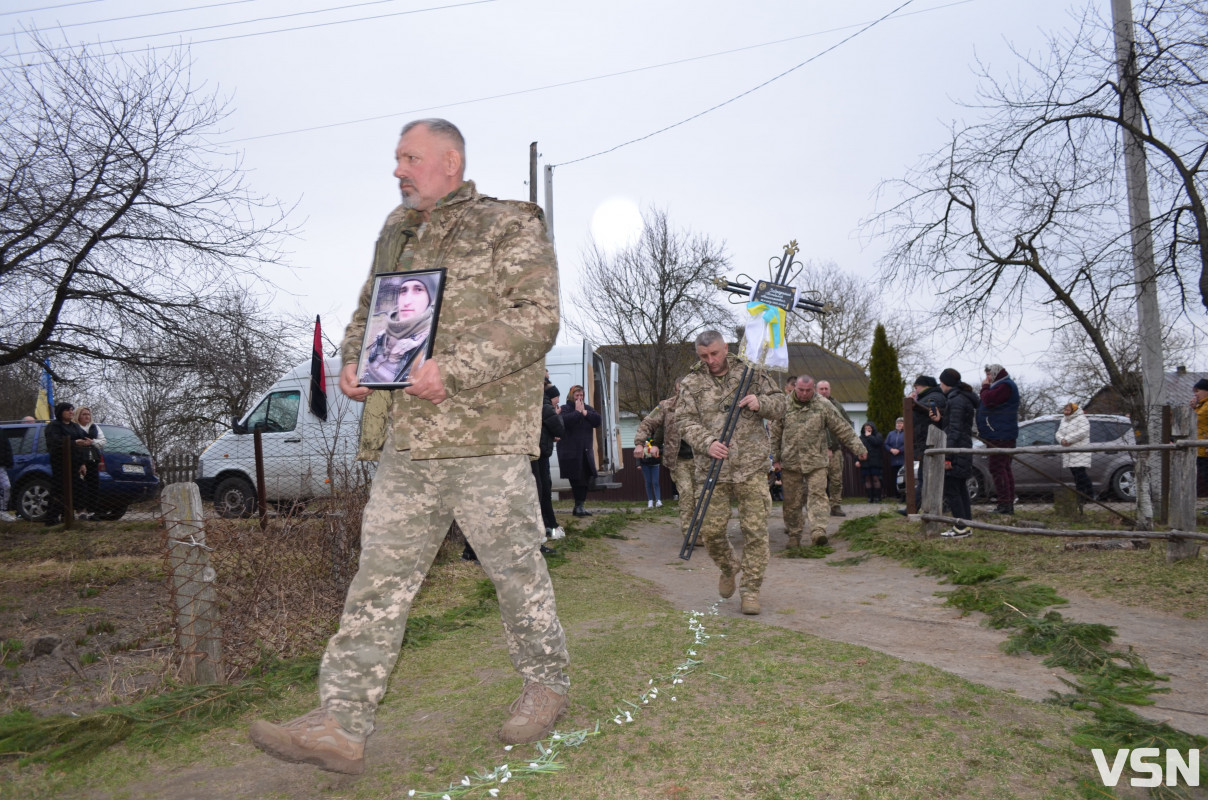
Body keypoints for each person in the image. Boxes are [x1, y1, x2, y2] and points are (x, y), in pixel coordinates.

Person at [249, 119, 570, 775]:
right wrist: (350, 364)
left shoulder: (510, 222)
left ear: (450, 161)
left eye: (410, 157)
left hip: (483, 437)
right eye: (397, 158)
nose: (398, 169)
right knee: (379, 583)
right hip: (410, 443)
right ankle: (340, 720)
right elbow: (370, 313)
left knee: (514, 574)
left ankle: (547, 683)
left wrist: (454, 367)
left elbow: (538, 317)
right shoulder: (398, 231)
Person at [676, 330, 787, 616]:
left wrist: (760, 403)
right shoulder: (691, 383)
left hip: (751, 467)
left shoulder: (752, 372)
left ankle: (751, 590)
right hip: (712, 469)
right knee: (710, 531)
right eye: (704, 356)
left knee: (755, 531)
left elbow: (781, 404)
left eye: (715, 353)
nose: (711, 360)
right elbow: (683, 421)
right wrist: (707, 443)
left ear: (726, 347)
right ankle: (728, 566)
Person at [771, 375, 867, 550]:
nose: (805, 394)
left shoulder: (823, 405)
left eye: (808, 390)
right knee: (792, 501)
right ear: (795, 388)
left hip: (816, 461)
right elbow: (775, 433)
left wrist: (859, 448)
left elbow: (842, 427)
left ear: (813, 389)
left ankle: (818, 531)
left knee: (818, 496)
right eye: (801, 390)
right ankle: (794, 535)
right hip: (791, 461)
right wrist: (775, 458)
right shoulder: (783, 405)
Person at [635, 381, 694, 540]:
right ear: (675, 391)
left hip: (701, 459)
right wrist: (640, 443)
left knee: (703, 496)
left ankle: (703, 530)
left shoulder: (701, 404)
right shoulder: (665, 406)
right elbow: (648, 422)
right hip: (678, 459)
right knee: (687, 494)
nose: (683, 394)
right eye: (679, 391)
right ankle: (691, 534)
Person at [358, 273, 437, 385]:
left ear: (429, 299)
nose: (407, 302)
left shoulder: (433, 342)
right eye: (403, 291)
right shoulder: (381, 336)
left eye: (418, 290)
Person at [931, 369, 979, 538]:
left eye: (941, 381)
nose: (940, 384)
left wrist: (948, 455)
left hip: (957, 451)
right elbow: (952, 425)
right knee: (960, 488)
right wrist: (940, 419)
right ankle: (966, 525)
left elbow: (955, 431)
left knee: (952, 489)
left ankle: (960, 527)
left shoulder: (957, 400)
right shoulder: (960, 398)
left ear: (947, 383)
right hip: (962, 449)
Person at [977, 363, 1020, 514]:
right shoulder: (1001, 385)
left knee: (998, 468)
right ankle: (1006, 503)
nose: (986, 378)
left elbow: (988, 400)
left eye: (989, 375)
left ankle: (1005, 503)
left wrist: (984, 388)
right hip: (997, 433)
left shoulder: (1004, 386)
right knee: (1003, 467)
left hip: (1001, 434)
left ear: (995, 374)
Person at [42, 403, 92, 526]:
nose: (71, 412)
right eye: (68, 410)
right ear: (60, 412)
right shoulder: (53, 426)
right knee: (59, 490)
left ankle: (69, 516)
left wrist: (82, 463)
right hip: (60, 463)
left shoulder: (75, 427)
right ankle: (52, 519)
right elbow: (55, 442)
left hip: (75, 463)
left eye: (72, 410)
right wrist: (73, 442)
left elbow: (82, 443)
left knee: (78, 488)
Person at [556, 384, 602, 517]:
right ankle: (578, 506)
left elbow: (597, 421)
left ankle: (580, 505)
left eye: (581, 395)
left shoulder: (587, 408)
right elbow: (563, 421)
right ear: (572, 396)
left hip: (585, 451)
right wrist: (576, 412)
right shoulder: (565, 409)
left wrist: (585, 413)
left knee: (585, 479)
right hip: (570, 452)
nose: (579, 398)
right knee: (576, 479)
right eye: (577, 395)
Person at [904, 376, 947, 513]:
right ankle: (917, 507)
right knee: (924, 477)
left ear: (923, 386)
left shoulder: (934, 397)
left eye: (916, 387)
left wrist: (914, 403)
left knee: (926, 478)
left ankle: (914, 508)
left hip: (930, 443)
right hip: (925, 443)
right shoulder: (927, 397)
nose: (915, 389)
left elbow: (931, 411)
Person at [816, 380, 855, 517]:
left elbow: (847, 424)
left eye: (826, 388)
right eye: (821, 389)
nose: (824, 391)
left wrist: (846, 441)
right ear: (816, 390)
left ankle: (835, 505)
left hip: (836, 449)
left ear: (830, 389)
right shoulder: (811, 405)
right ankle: (818, 508)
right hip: (816, 451)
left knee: (836, 479)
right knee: (817, 481)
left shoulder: (837, 405)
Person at [536, 384, 565, 538]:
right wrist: (557, 414)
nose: (557, 402)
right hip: (540, 455)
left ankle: (548, 526)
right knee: (544, 492)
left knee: (544, 491)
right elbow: (559, 428)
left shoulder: (538, 403)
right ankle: (549, 527)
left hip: (540, 452)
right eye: (556, 398)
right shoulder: (546, 407)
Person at [1056, 402, 1093, 501]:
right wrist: (1062, 440)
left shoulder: (1081, 419)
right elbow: (1058, 433)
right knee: (1076, 474)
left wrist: (1068, 439)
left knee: (1080, 474)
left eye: (1068, 410)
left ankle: (1088, 494)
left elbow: (1082, 432)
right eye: (1065, 410)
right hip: (1069, 450)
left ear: (1074, 410)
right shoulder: (1063, 420)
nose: (1066, 412)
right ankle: (1083, 495)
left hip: (1080, 450)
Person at [75, 406, 106, 520]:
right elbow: (73, 441)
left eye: (88, 414)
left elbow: (102, 441)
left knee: (94, 485)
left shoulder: (94, 427)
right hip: (78, 460)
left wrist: (92, 442)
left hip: (92, 459)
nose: (87, 416)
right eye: (84, 414)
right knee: (81, 486)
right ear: (78, 415)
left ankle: (92, 511)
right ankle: (81, 511)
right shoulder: (74, 427)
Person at [633, 413, 663, 509]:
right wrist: (638, 463)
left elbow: (661, 449)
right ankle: (650, 500)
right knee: (648, 482)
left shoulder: (656, 437)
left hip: (655, 463)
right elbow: (638, 451)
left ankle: (658, 500)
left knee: (655, 482)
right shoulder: (641, 437)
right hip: (644, 463)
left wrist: (656, 451)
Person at [857, 422, 885, 503]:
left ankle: (878, 497)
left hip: (875, 461)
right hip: (865, 462)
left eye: (869, 428)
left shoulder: (878, 435)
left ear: (873, 428)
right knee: (867, 479)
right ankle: (870, 497)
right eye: (866, 428)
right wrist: (857, 460)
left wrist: (869, 436)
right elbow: (857, 449)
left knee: (876, 478)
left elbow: (877, 443)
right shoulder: (861, 438)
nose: (868, 429)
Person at [883, 417, 907, 500]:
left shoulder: (906, 433)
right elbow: (886, 444)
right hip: (894, 460)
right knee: (895, 478)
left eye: (900, 423)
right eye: (897, 423)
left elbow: (908, 443)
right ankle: (897, 495)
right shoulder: (891, 434)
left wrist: (899, 450)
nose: (898, 424)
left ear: (904, 424)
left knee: (904, 478)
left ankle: (904, 496)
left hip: (903, 459)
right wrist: (891, 449)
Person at [1192, 378, 1208, 498]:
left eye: (1198, 390)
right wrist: (1194, 407)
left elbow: (1197, 419)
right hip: (1200, 449)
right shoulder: (1202, 405)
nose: (1195, 393)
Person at [0, 429, 13, 522]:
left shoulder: (1, 432)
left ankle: (3, 511)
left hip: (1, 466)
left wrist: (8, 461)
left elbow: (7, 447)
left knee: (6, 486)